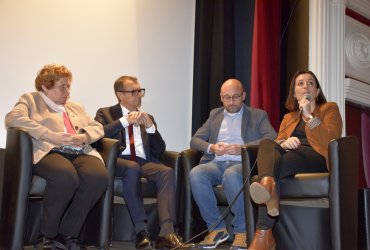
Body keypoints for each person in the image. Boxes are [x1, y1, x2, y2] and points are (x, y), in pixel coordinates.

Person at [5, 64, 108, 250]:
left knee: (98, 177)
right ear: (45, 86)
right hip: (49, 151)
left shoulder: (76, 107)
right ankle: (46, 235)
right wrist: (49, 134)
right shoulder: (31, 99)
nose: (68, 91)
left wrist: (83, 136)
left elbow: (97, 127)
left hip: (79, 151)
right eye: (63, 86)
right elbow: (13, 118)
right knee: (65, 176)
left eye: (69, 86)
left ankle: (67, 234)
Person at [248, 70, 343, 250]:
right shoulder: (289, 117)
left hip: (317, 156)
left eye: (310, 83)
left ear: (316, 92)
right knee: (267, 143)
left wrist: (309, 116)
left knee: (273, 166)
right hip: (291, 155)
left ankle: (263, 233)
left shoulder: (329, 108)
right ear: (294, 93)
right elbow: (276, 143)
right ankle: (269, 189)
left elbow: (330, 139)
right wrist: (284, 143)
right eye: (300, 83)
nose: (305, 86)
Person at [95, 75, 188, 250]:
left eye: (140, 91)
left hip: (143, 162)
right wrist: (125, 121)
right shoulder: (105, 113)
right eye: (134, 91)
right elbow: (99, 135)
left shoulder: (147, 116)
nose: (139, 95)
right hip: (119, 162)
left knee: (166, 171)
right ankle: (141, 232)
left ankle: (166, 233)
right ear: (120, 94)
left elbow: (159, 150)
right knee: (132, 168)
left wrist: (151, 127)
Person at [189, 79, 277, 250]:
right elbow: (195, 140)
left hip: (241, 164)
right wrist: (212, 147)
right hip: (217, 163)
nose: (231, 102)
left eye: (235, 97)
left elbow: (271, 138)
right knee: (196, 174)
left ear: (243, 96)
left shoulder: (258, 115)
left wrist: (243, 148)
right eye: (227, 98)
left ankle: (242, 231)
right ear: (221, 98)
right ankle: (217, 230)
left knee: (230, 175)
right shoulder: (215, 114)